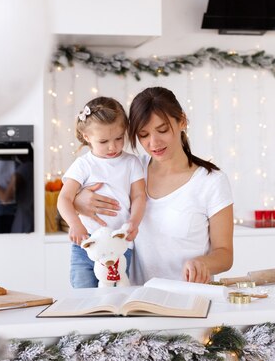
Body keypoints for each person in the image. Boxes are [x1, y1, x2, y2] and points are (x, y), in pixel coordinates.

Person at [74, 87, 234, 285]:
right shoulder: (131, 169)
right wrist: (77, 199)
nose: (153, 142)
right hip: (135, 303)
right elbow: (75, 192)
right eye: (143, 134)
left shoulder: (211, 181)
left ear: (182, 121)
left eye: (162, 130)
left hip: (189, 302)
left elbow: (225, 254)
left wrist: (203, 263)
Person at [57, 97, 146, 288]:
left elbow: (139, 196)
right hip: (86, 245)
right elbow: (64, 198)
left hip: (120, 246)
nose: (113, 147)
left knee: (118, 293)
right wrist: (74, 224)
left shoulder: (131, 163)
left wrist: (134, 222)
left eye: (119, 138)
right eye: (104, 141)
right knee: (84, 295)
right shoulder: (83, 165)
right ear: (86, 137)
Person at [0, 149, 35, 233]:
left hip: (23, 223)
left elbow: (5, 198)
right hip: (27, 219)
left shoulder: (23, 168)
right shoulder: (26, 167)